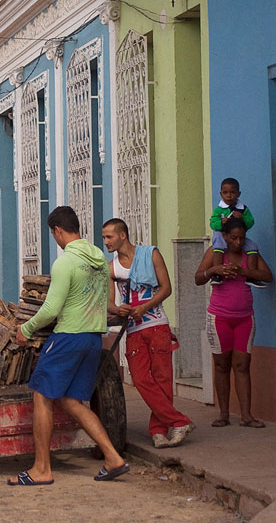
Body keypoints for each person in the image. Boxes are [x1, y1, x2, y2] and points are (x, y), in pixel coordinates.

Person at [13, 206, 129, 484]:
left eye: (54, 234)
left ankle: (42, 469)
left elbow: (52, 309)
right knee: (72, 400)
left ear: (57, 231)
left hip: (68, 336)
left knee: (42, 395)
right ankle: (113, 458)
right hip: (92, 337)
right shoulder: (99, 258)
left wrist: (26, 329)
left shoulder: (65, 263)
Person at [103, 218, 194, 448]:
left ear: (122, 235)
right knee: (142, 379)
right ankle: (179, 420)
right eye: (104, 237)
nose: (106, 242)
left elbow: (166, 288)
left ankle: (158, 431)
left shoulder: (151, 254)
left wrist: (144, 306)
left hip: (156, 325)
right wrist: (118, 309)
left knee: (163, 378)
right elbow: (109, 303)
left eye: (109, 237)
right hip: (133, 329)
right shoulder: (111, 268)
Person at [194, 218, 272, 427]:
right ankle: (224, 414)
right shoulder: (215, 252)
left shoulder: (250, 254)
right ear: (225, 236)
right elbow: (198, 278)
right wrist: (215, 271)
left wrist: (244, 271)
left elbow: (267, 275)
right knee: (221, 364)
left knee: (242, 364)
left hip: (245, 318)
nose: (238, 242)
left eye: (241, 238)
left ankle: (246, 415)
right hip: (219, 318)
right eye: (233, 238)